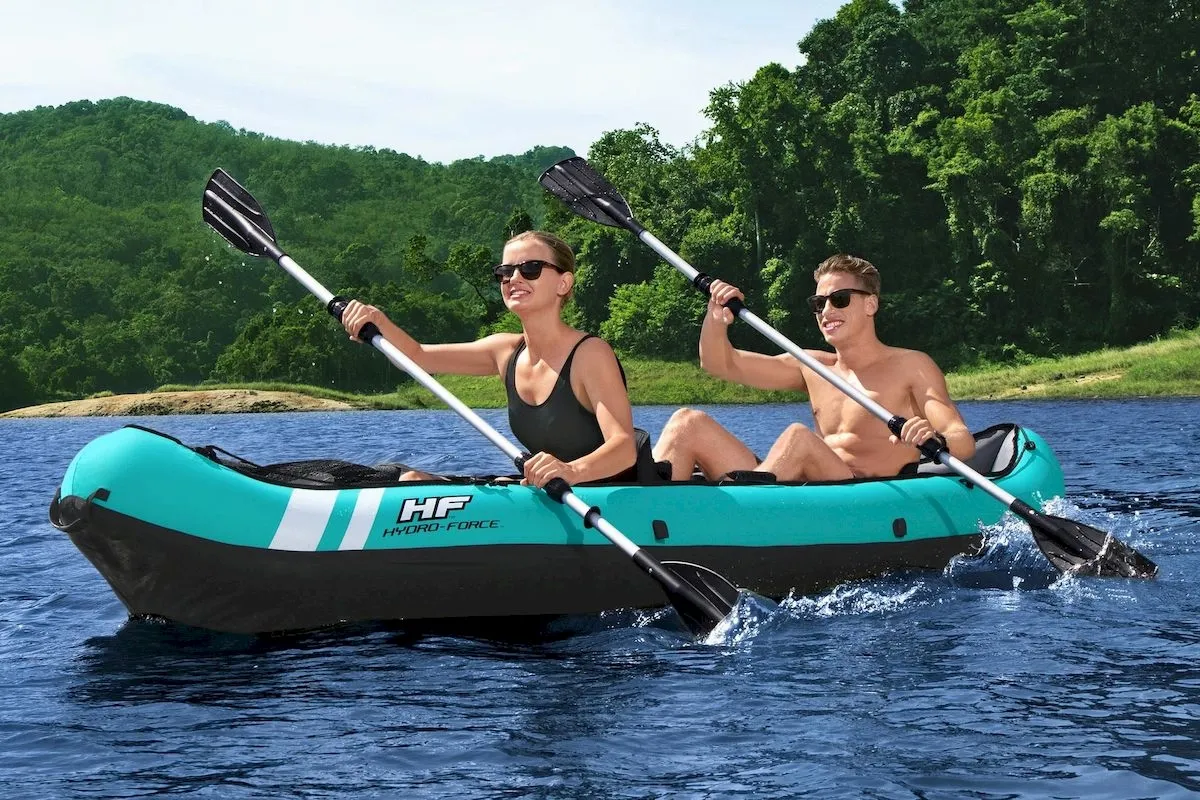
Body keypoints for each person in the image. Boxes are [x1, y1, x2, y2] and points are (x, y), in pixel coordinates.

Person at [339, 230, 643, 488]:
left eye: (531, 268)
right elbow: (418, 357)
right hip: (549, 493)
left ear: (563, 283)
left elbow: (624, 448)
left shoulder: (590, 354)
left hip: (612, 498)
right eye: (505, 272)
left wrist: (571, 471)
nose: (514, 278)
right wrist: (379, 322)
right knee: (412, 481)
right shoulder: (504, 351)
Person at [653, 254, 975, 482]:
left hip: (861, 498)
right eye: (819, 304)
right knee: (687, 423)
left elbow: (961, 439)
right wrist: (715, 318)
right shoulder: (812, 365)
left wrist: (933, 437)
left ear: (870, 304)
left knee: (800, 438)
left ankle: (744, 509)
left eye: (840, 299)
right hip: (803, 489)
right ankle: (646, 515)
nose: (827, 311)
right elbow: (720, 364)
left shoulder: (911, 365)